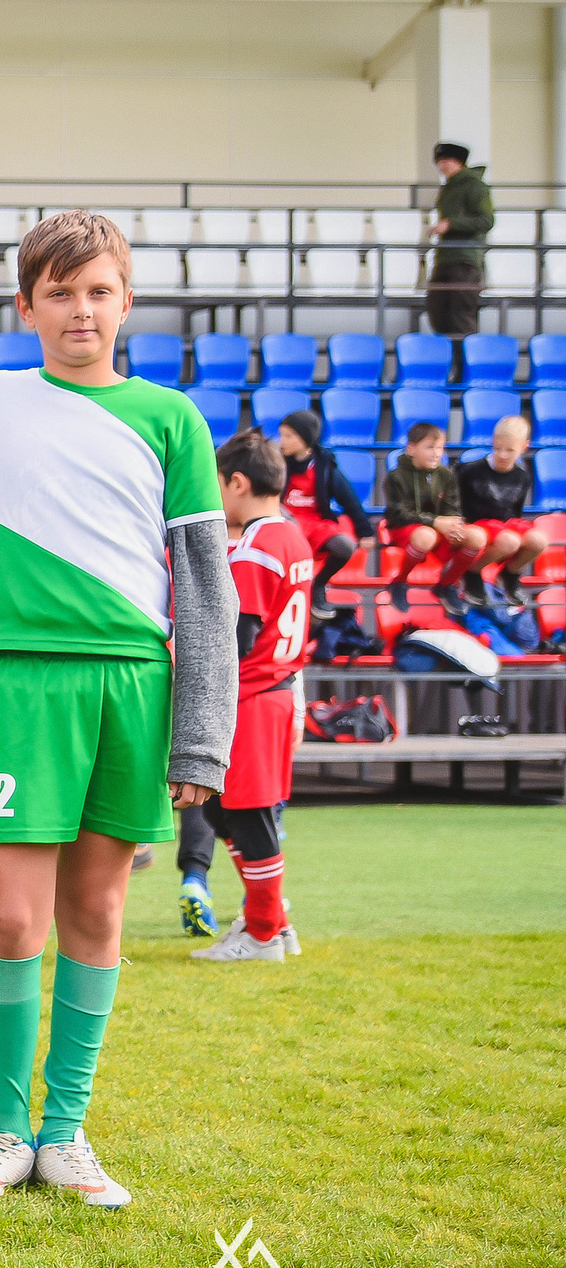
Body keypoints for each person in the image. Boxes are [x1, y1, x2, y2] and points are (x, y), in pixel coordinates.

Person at [0, 211, 239, 1210]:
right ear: (26, 305)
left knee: (95, 910)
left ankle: (65, 1128)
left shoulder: (170, 416)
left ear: (124, 300)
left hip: (131, 684)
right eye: (59, 291)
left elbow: (204, 584)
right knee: (8, 917)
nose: (80, 308)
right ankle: (6, 1127)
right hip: (16, 682)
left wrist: (201, 735)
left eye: (98, 290)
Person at [189, 431, 315, 964]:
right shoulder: (291, 536)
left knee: (248, 815)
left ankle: (264, 932)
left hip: (254, 696)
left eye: (217, 484)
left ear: (237, 483)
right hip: (274, 691)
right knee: (224, 812)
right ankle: (270, 922)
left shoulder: (258, 546)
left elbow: (234, 640)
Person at [274, 408, 371, 614]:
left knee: (344, 547)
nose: (282, 441)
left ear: (306, 438)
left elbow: (349, 499)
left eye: (289, 436)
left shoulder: (325, 465)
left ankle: (318, 585)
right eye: (282, 435)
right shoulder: (276, 462)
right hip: (284, 524)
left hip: (315, 524)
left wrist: (365, 532)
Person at [381, 421, 486, 609]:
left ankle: (447, 585)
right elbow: (399, 513)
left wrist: (453, 526)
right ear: (411, 449)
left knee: (476, 537)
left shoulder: (446, 475)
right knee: (425, 536)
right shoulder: (395, 476)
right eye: (430, 448)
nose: (436, 453)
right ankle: (399, 582)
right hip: (406, 528)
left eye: (440, 448)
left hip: (439, 530)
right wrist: (435, 522)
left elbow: (451, 508)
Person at [456, 416, 548, 606]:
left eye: (510, 450)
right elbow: (455, 505)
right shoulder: (468, 471)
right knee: (509, 541)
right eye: (498, 448)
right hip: (476, 526)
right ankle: (472, 572)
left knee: (539, 540)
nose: (503, 455)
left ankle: (510, 574)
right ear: (492, 442)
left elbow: (515, 512)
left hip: (503, 526)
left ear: (524, 447)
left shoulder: (522, 477)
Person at [427, 143, 494, 337]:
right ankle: (452, 362)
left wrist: (451, 224)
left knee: (461, 315)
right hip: (446, 258)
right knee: (438, 311)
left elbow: (485, 220)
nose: (442, 166)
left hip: (465, 260)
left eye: (445, 161)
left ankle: (467, 365)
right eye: (440, 162)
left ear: (458, 162)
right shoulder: (449, 188)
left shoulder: (475, 186)